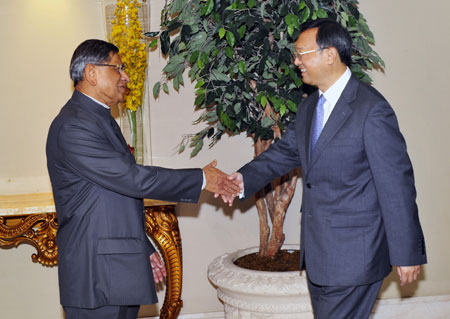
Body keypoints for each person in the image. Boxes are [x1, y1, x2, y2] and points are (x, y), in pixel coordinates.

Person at [225, 19, 427, 318]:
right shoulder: (310, 107)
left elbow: (396, 186)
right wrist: (238, 181)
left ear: (329, 54)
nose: (296, 62)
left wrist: (406, 253)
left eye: (301, 53)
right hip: (320, 256)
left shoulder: (371, 109)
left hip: (355, 257)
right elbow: (282, 155)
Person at [46, 39, 240, 319]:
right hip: (96, 277)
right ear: (91, 73)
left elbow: (114, 195)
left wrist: (140, 245)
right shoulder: (74, 125)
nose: (125, 76)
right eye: (118, 68)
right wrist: (200, 178)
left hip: (116, 268)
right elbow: (130, 179)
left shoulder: (97, 117)